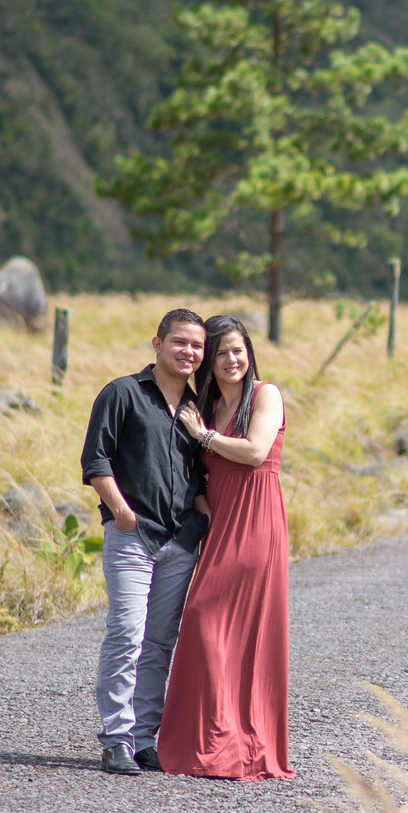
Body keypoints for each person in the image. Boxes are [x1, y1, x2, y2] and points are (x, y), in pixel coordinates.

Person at [154, 315, 290, 780]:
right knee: (207, 626)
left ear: (249, 353)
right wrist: (200, 506)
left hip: (256, 522)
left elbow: (254, 452)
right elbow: (198, 471)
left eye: (238, 350)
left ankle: (239, 744)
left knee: (210, 619)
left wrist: (204, 437)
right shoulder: (205, 407)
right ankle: (215, 740)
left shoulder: (264, 395)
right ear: (207, 362)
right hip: (221, 524)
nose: (232, 360)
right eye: (221, 353)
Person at [80, 309, 209, 776]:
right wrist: (121, 513)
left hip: (180, 541)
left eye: (196, 346)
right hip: (133, 536)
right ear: (157, 344)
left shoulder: (198, 408)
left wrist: (199, 515)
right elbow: (95, 459)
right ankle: (115, 737)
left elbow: (200, 473)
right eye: (179, 342)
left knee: (159, 643)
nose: (188, 352)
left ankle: (143, 740)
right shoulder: (123, 393)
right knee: (127, 634)